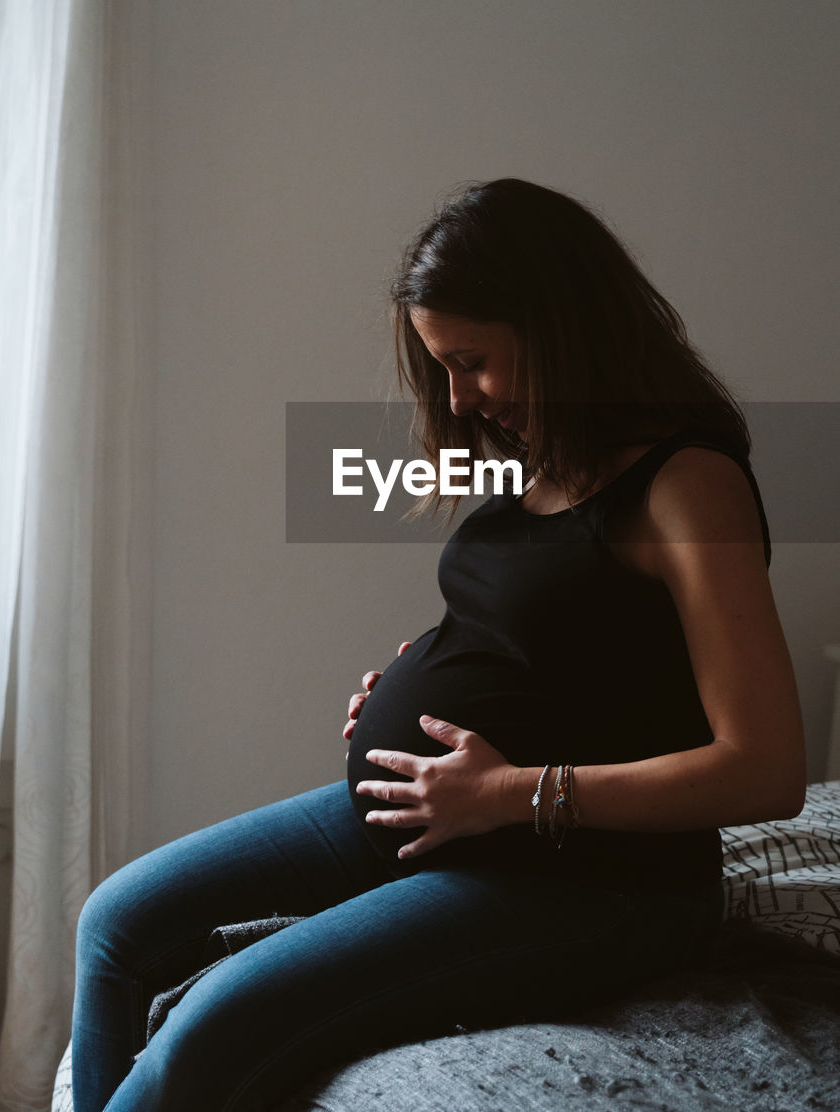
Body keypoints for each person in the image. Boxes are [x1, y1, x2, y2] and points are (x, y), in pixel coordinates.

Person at [71, 178, 806, 1112]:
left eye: (474, 362)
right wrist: (426, 670)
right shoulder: (542, 450)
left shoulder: (687, 486)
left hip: (591, 879)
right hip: (433, 810)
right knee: (118, 922)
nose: (459, 398)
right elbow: (564, 619)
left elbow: (766, 769)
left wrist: (502, 790)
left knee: (210, 1025)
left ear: (561, 328)